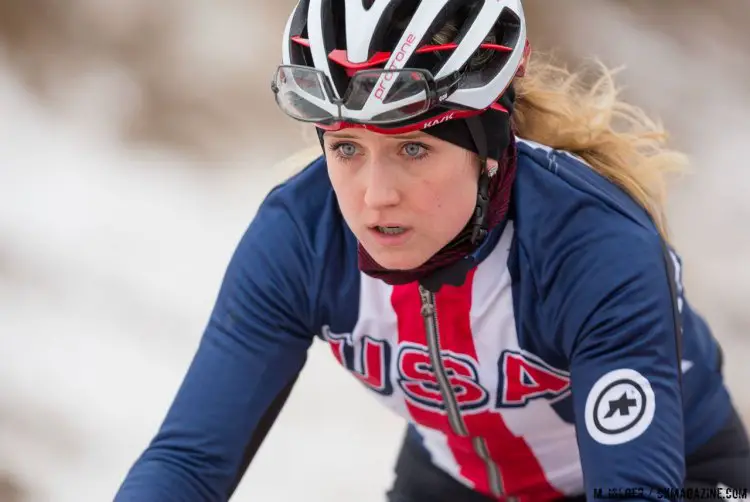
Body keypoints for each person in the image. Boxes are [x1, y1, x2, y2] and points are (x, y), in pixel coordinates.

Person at [114, 0, 750, 500]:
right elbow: (189, 462)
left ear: (490, 146)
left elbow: (636, 491)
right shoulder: (300, 237)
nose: (375, 197)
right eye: (346, 149)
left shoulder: (593, 246)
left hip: (677, 478)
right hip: (460, 482)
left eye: (413, 149)